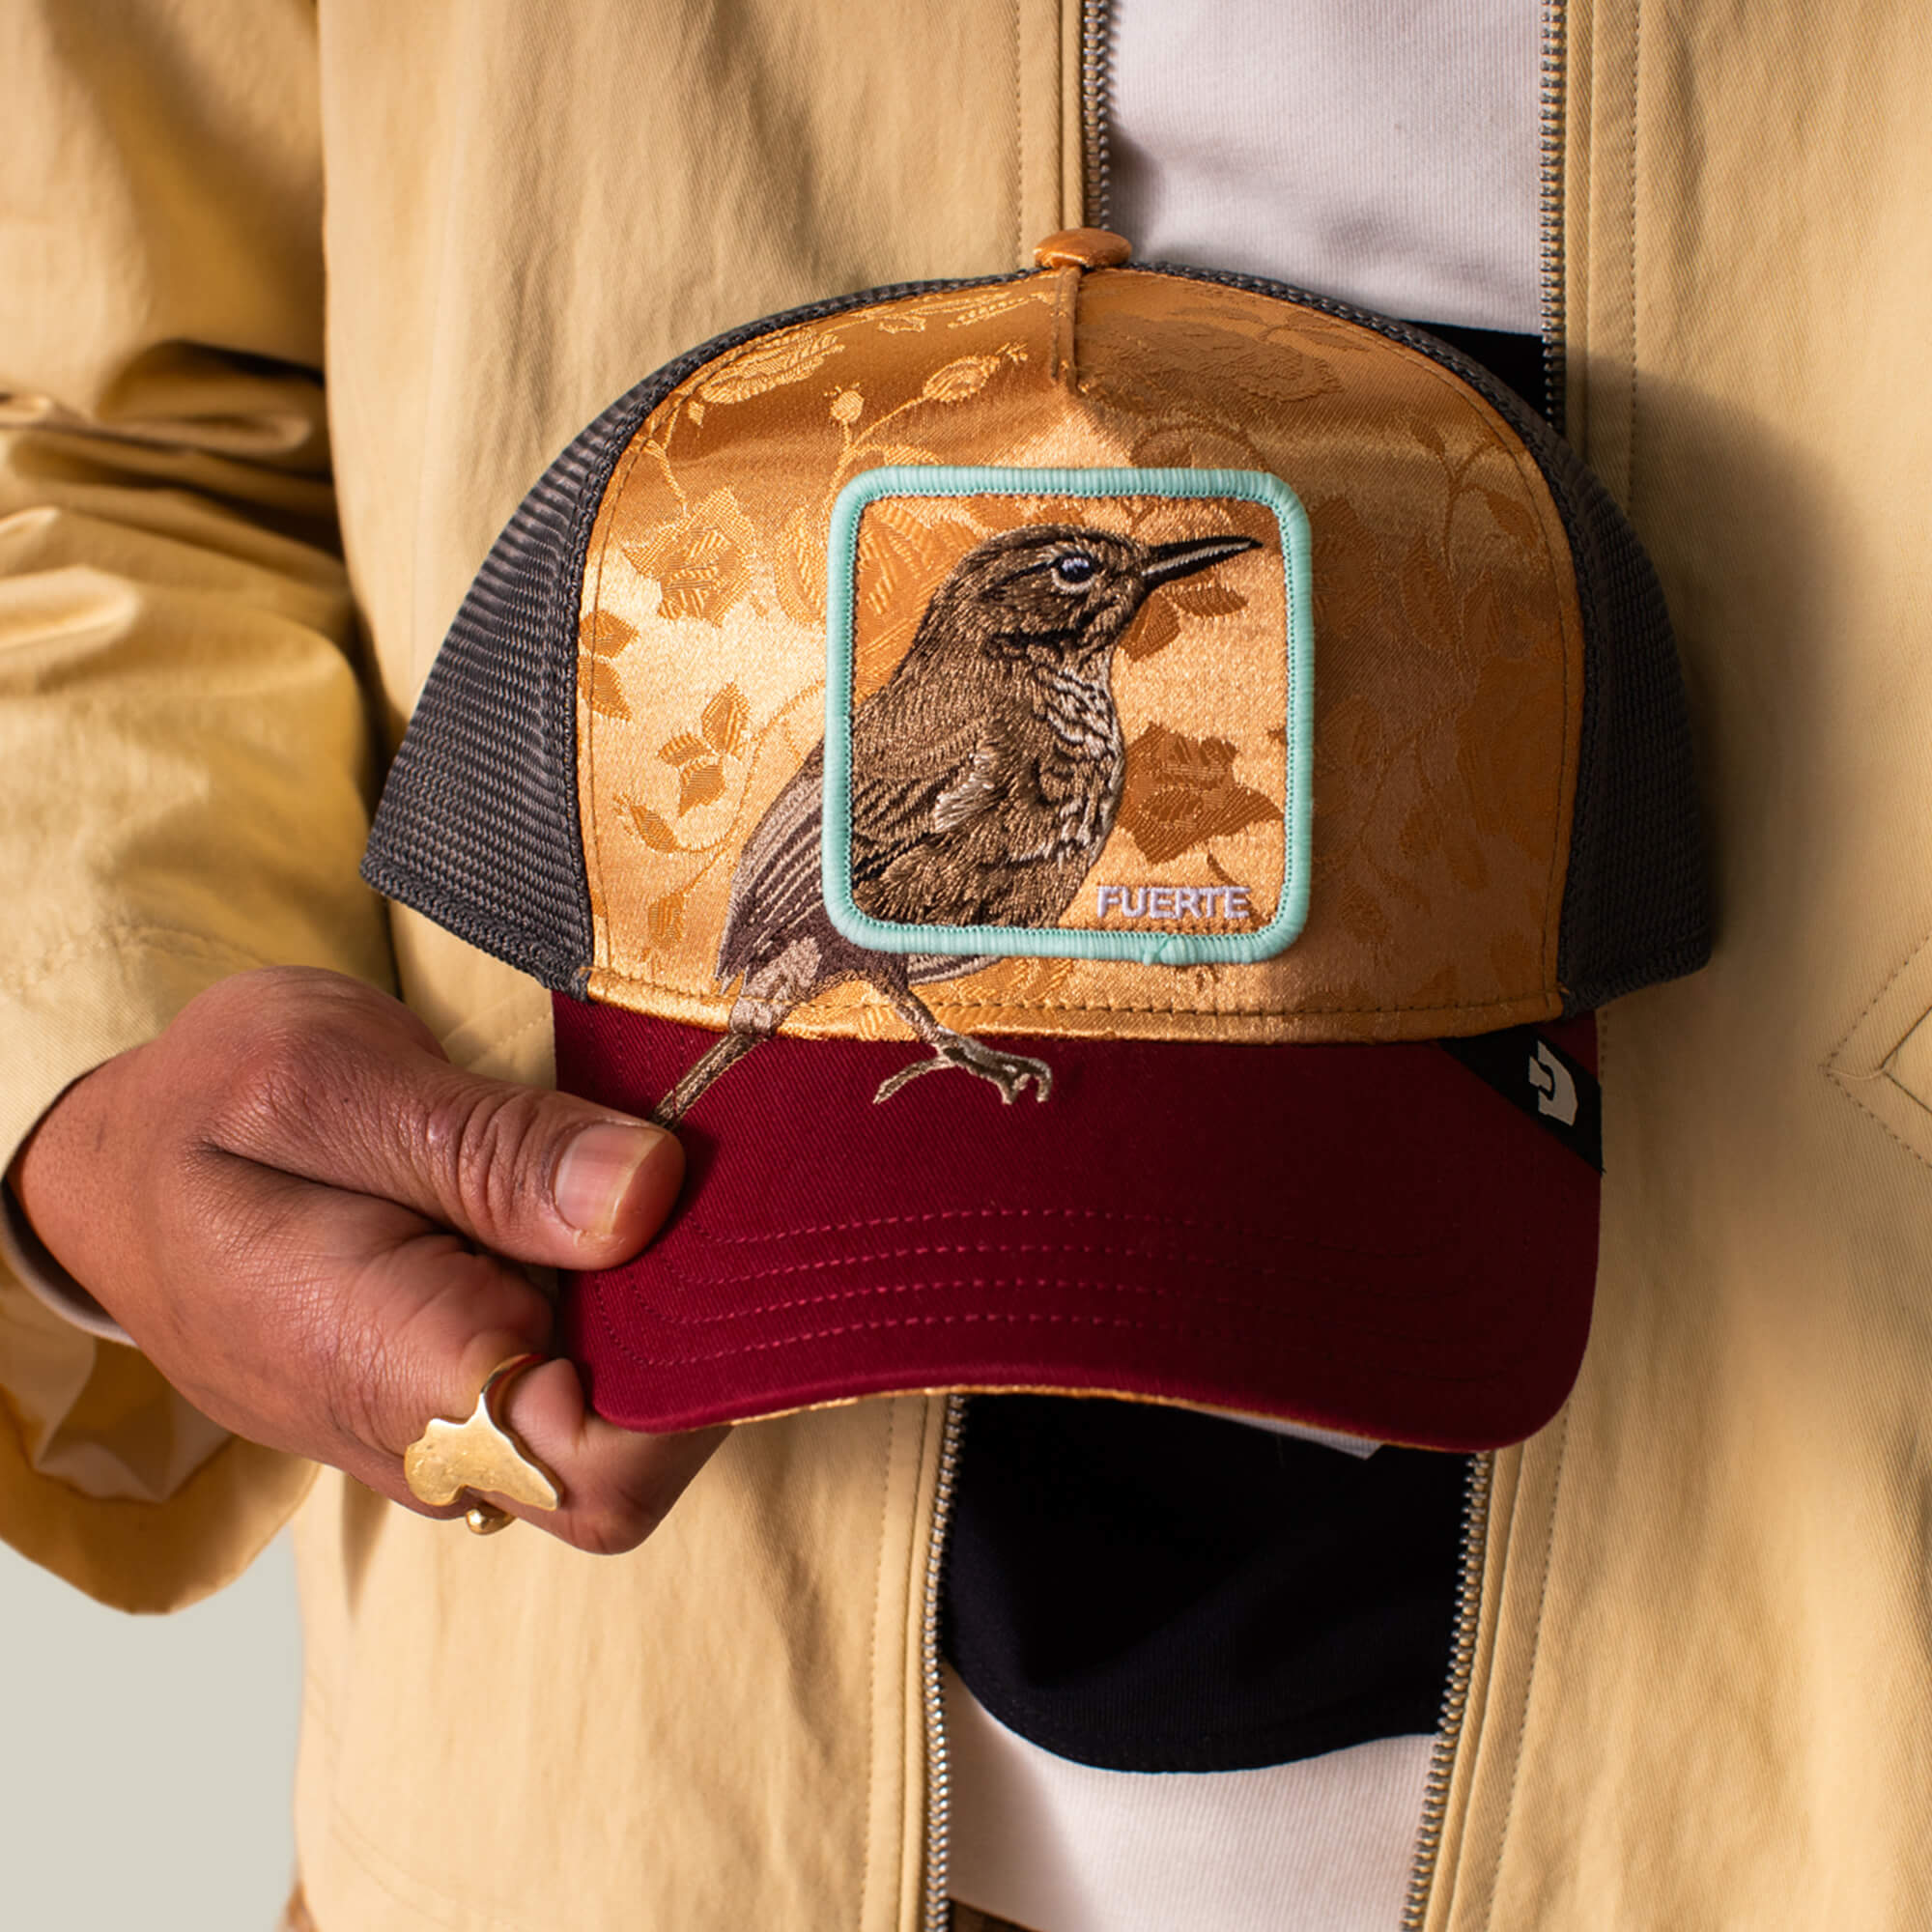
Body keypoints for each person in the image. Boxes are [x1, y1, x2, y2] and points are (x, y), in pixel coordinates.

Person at [5, 4, 1931, 1928]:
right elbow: (90, 425)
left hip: (1803, 1725)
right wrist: (91, 1054)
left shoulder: (1060, 716)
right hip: (607, 1803)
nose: (1129, 594)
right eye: (1087, 585)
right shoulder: (974, 730)